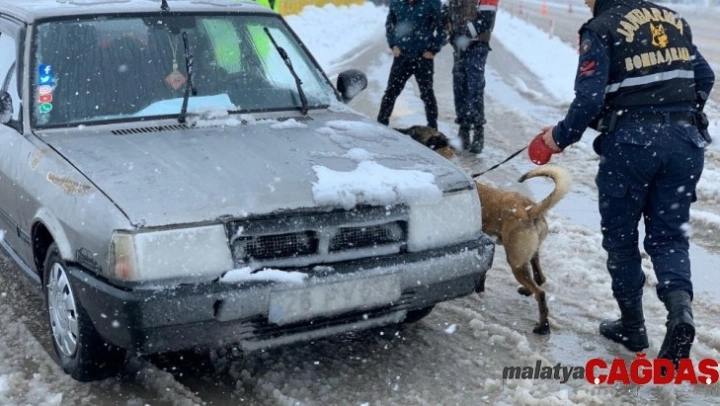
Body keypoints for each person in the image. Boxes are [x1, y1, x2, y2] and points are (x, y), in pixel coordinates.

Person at [532, 0, 714, 369]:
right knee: (669, 236)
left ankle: (633, 327)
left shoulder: (601, 27)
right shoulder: (672, 19)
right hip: (685, 142)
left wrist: (559, 138)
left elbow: (590, 97)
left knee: (621, 238)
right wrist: (676, 114)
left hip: (633, 144)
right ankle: (680, 311)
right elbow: (705, 77)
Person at [377, 0, 446, 130]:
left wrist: (433, 49)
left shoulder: (432, 3)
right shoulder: (397, 3)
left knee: (427, 93)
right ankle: (381, 124)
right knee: (391, 91)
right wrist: (393, 44)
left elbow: (442, 28)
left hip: (423, 58)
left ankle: (432, 127)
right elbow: (389, 25)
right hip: (402, 56)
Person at [443, 0, 498, 153]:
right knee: (459, 88)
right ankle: (464, 130)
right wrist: (449, 28)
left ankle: (478, 131)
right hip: (460, 46)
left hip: (477, 46)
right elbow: (448, 11)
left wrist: (462, 33)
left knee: (474, 88)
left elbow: (485, 20)